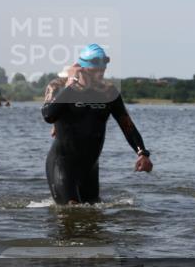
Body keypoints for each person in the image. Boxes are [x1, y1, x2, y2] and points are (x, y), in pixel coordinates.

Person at [41, 44, 152, 205]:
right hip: (63, 164)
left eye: (104, 67)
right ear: (83, 68)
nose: (101, 72)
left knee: (93, 217)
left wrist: (142, 153)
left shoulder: (108, 92)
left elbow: (126, 125)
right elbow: (48, 115)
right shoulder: (58, 86)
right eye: (96, 69)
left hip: (90, 166)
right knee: (71, 214)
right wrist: (71, 85)